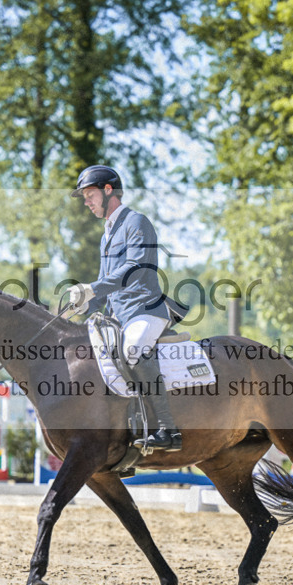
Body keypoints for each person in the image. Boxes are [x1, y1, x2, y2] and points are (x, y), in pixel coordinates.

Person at [66, 165, 182, 452]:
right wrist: (84, 305)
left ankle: (168, 429)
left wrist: (92, 286)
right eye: (84, 197)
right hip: (119, 316)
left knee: (133, 349)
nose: (86, 202)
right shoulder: (107, 235)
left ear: (108, 191)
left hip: (145, 310)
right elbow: (109, 287)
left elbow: (135, 269)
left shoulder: (136, 222)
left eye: (90, 195)